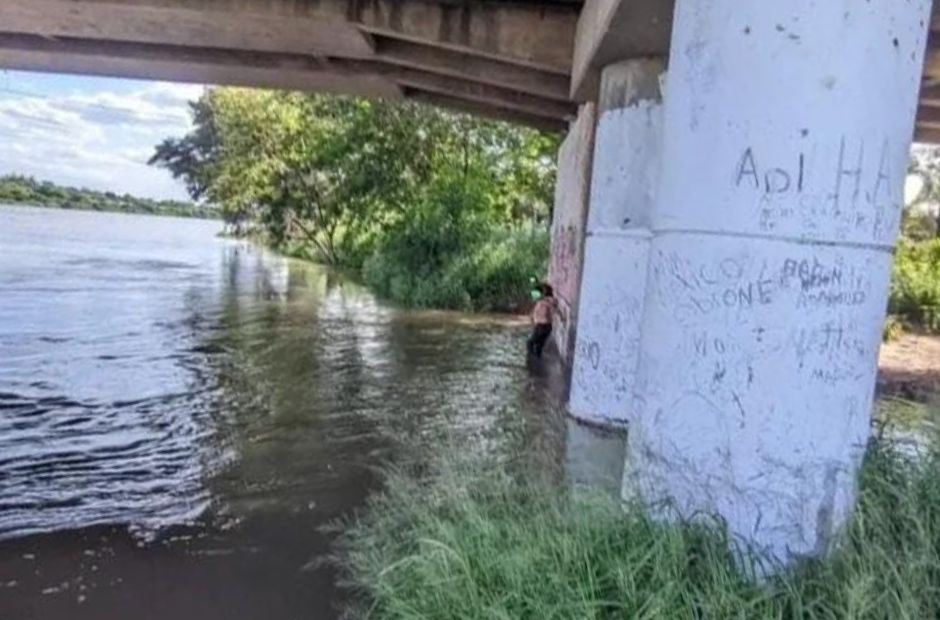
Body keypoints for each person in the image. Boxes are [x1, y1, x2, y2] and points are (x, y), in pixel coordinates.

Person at [527, 283, 555, 358]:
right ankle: (536, 360)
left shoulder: (546, 302)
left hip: (542, 326)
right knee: (538, 346)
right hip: (543, 326)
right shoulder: (544, 302)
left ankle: (533, 361)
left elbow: (550, 310)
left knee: (530, 343)